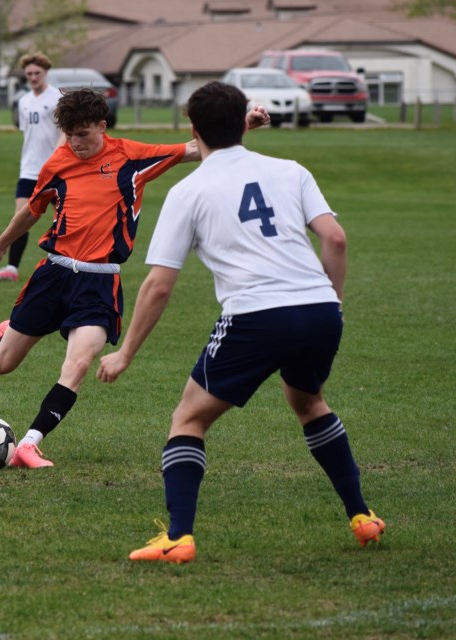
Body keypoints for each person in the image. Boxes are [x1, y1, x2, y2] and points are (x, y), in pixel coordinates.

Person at [96, 81, 385, 563]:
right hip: (318, 310)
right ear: (243, 122)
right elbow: (334, 239)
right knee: (309, 401)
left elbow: (159, 285)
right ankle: (362, 517)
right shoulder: (290, 170)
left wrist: (125, 352)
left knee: (188, 419)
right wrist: (331, 303)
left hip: (256, 316)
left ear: (191, 128)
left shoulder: (188, 191)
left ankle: (178, 538)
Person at [0, 88, 270, 468]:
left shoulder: (130, 156)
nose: (76, 143)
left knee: (79, 364)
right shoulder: (59, 162)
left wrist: (243, 125)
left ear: (102, 126)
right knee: (1, 366)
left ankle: (30, 443)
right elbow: (33, 210)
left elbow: (195, 150)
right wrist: (0, 247)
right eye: (70, 135)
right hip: (52, 275)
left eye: (83, 134)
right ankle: (12, 329)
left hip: (99, 282)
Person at [0, 52, 64, 283]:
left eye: (37, 73)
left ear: (45, 73)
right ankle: (11, 268)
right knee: (20, 218)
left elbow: (65, 133)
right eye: (29, 74)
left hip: (56, 171)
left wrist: (55, 160)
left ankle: (66, 267)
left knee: (63, 220)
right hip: (29, 170)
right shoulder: (23, 101)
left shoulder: (57, 98)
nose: (32, 77)